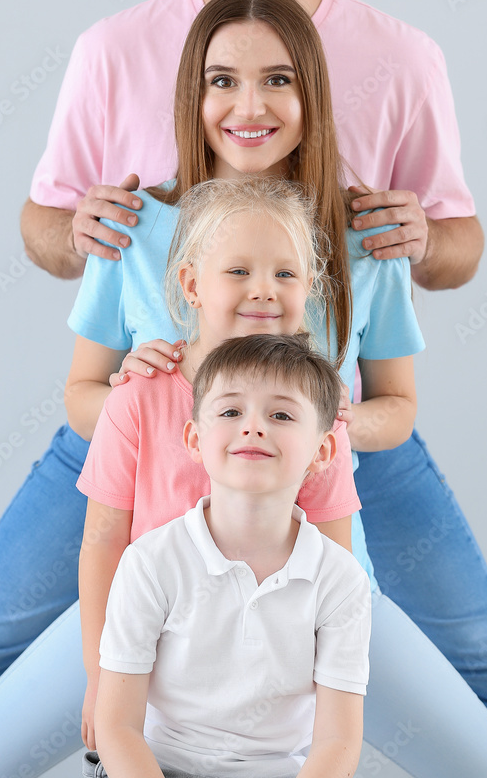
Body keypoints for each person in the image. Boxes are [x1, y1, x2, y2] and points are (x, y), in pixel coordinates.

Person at [0, 0, 487, 771]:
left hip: (334, 421)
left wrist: (415, 240)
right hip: (141, 418)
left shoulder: (401, 57)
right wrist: (82, 232)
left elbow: (455, 247)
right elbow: (48, 228)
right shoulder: (113, 50)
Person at [93, 332, 372, 778]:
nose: (253, 427)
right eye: (230, 411)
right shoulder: (150, 562)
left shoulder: (341, 581)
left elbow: (338, 741)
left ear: (323, 450)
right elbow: (117, 727)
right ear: (194, 440)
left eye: (281, 414)